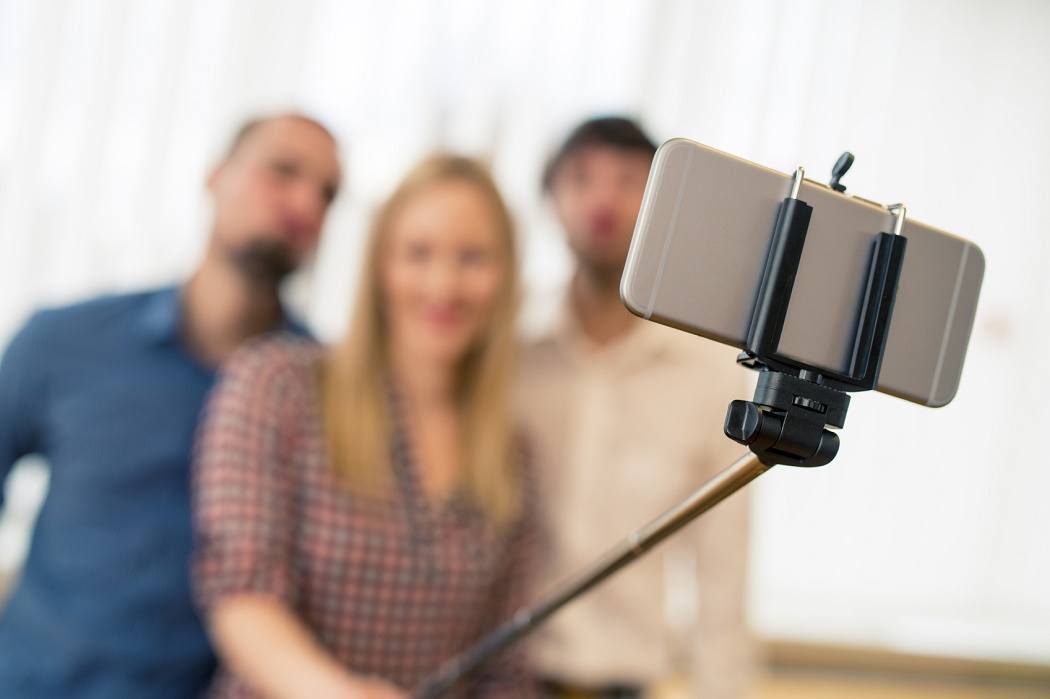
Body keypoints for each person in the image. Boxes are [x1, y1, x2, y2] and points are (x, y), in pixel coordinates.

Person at [0, 112, 342, 697]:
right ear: (216, 175)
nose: (305, 202)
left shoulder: (327, 396)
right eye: (283, 170)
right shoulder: (65, 340)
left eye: (328, 193)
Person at [192, 154, 537, 698]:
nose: (443, 285)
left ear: (506, 277)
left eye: (472, 258)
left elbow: (505, 661)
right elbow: (242, 595)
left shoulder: (512, 454)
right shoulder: (278, 384)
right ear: (380, 267)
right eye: (417, 253)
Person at [518, 117, 756, 698]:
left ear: (661, 205)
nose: (603, 197)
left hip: (626, 681)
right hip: (502, 673)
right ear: (550, 200)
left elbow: (724, 568)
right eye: (580, 178)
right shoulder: (508, 353)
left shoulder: (710, 373)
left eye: (628, 180)